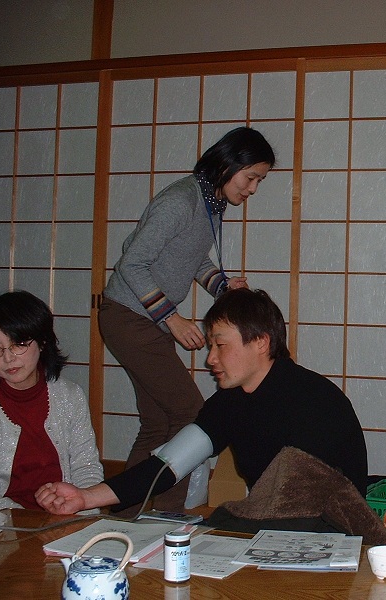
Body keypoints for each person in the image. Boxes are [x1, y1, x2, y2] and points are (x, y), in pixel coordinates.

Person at [35, 288, 368, 520]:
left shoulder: (315, 400)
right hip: (273, 524)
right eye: (210, 346)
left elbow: (319, 500)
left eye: (220, 345)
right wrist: (85, 497)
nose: (210, 359)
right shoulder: (230, 401)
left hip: (330, 526)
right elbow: (167, 466)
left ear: (261, 343)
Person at [100, 126, 275, 512]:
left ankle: (126, 514)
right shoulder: (182, 201)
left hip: (142, 318)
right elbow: (132, 262)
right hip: (129, 317)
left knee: (158, 422)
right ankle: (167, 513)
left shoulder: (210, 203)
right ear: (228, 165)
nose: (252, 189)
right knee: (189, 413)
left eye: (259, 181)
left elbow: (193, 260)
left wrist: (222, 287)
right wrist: (173, 318)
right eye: (250, 178)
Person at [0, 290, 103, 510]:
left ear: (43, 342)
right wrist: (24, 521)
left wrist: (80, 513)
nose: (8, 358)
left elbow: (87, 469)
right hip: (0, 520)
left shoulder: (70, 395)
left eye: (19, 344)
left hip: (65, 514)